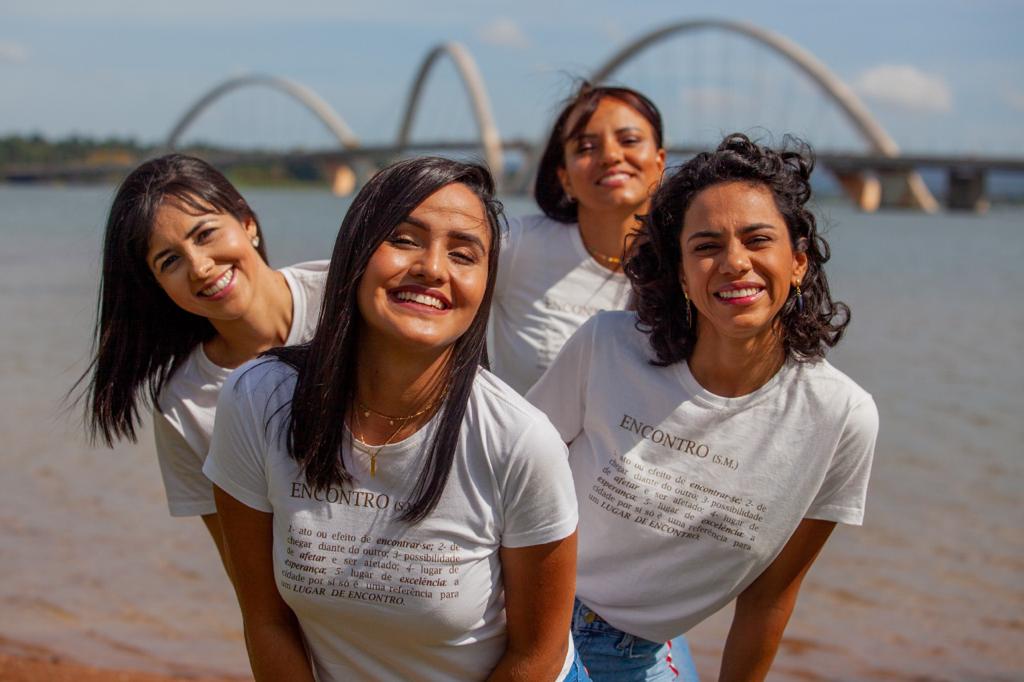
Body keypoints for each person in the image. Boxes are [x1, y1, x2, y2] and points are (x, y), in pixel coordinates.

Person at [203, 157, 583, 681]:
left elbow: (537, 653)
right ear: (356, 253)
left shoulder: (519, 441)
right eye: (404, 239)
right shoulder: (258, 401)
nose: (433, 267)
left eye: (463, 253)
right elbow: (266, 619)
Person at [528, 134, 879, 681]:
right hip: (524, 608)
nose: (734, 263)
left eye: (758, 239)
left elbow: (769, 597)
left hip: (632, 652)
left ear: (798, 262)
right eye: (706, 246)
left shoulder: (841, 418)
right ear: (683, 274)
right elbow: (505, 480)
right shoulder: (606, 346)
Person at [74, 154, 327, 572]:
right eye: (169, 261)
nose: (200, 267)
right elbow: (246, 573)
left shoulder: (346, 300)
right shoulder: (183, 403)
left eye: (205, 233)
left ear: (246, 222)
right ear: (157, 286)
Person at [489, 83, 666, 395]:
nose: (611, 156)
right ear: (564, 178)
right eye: (585, 148)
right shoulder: (517, 246)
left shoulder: (688, 266)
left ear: (660, 162)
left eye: (629, 140)